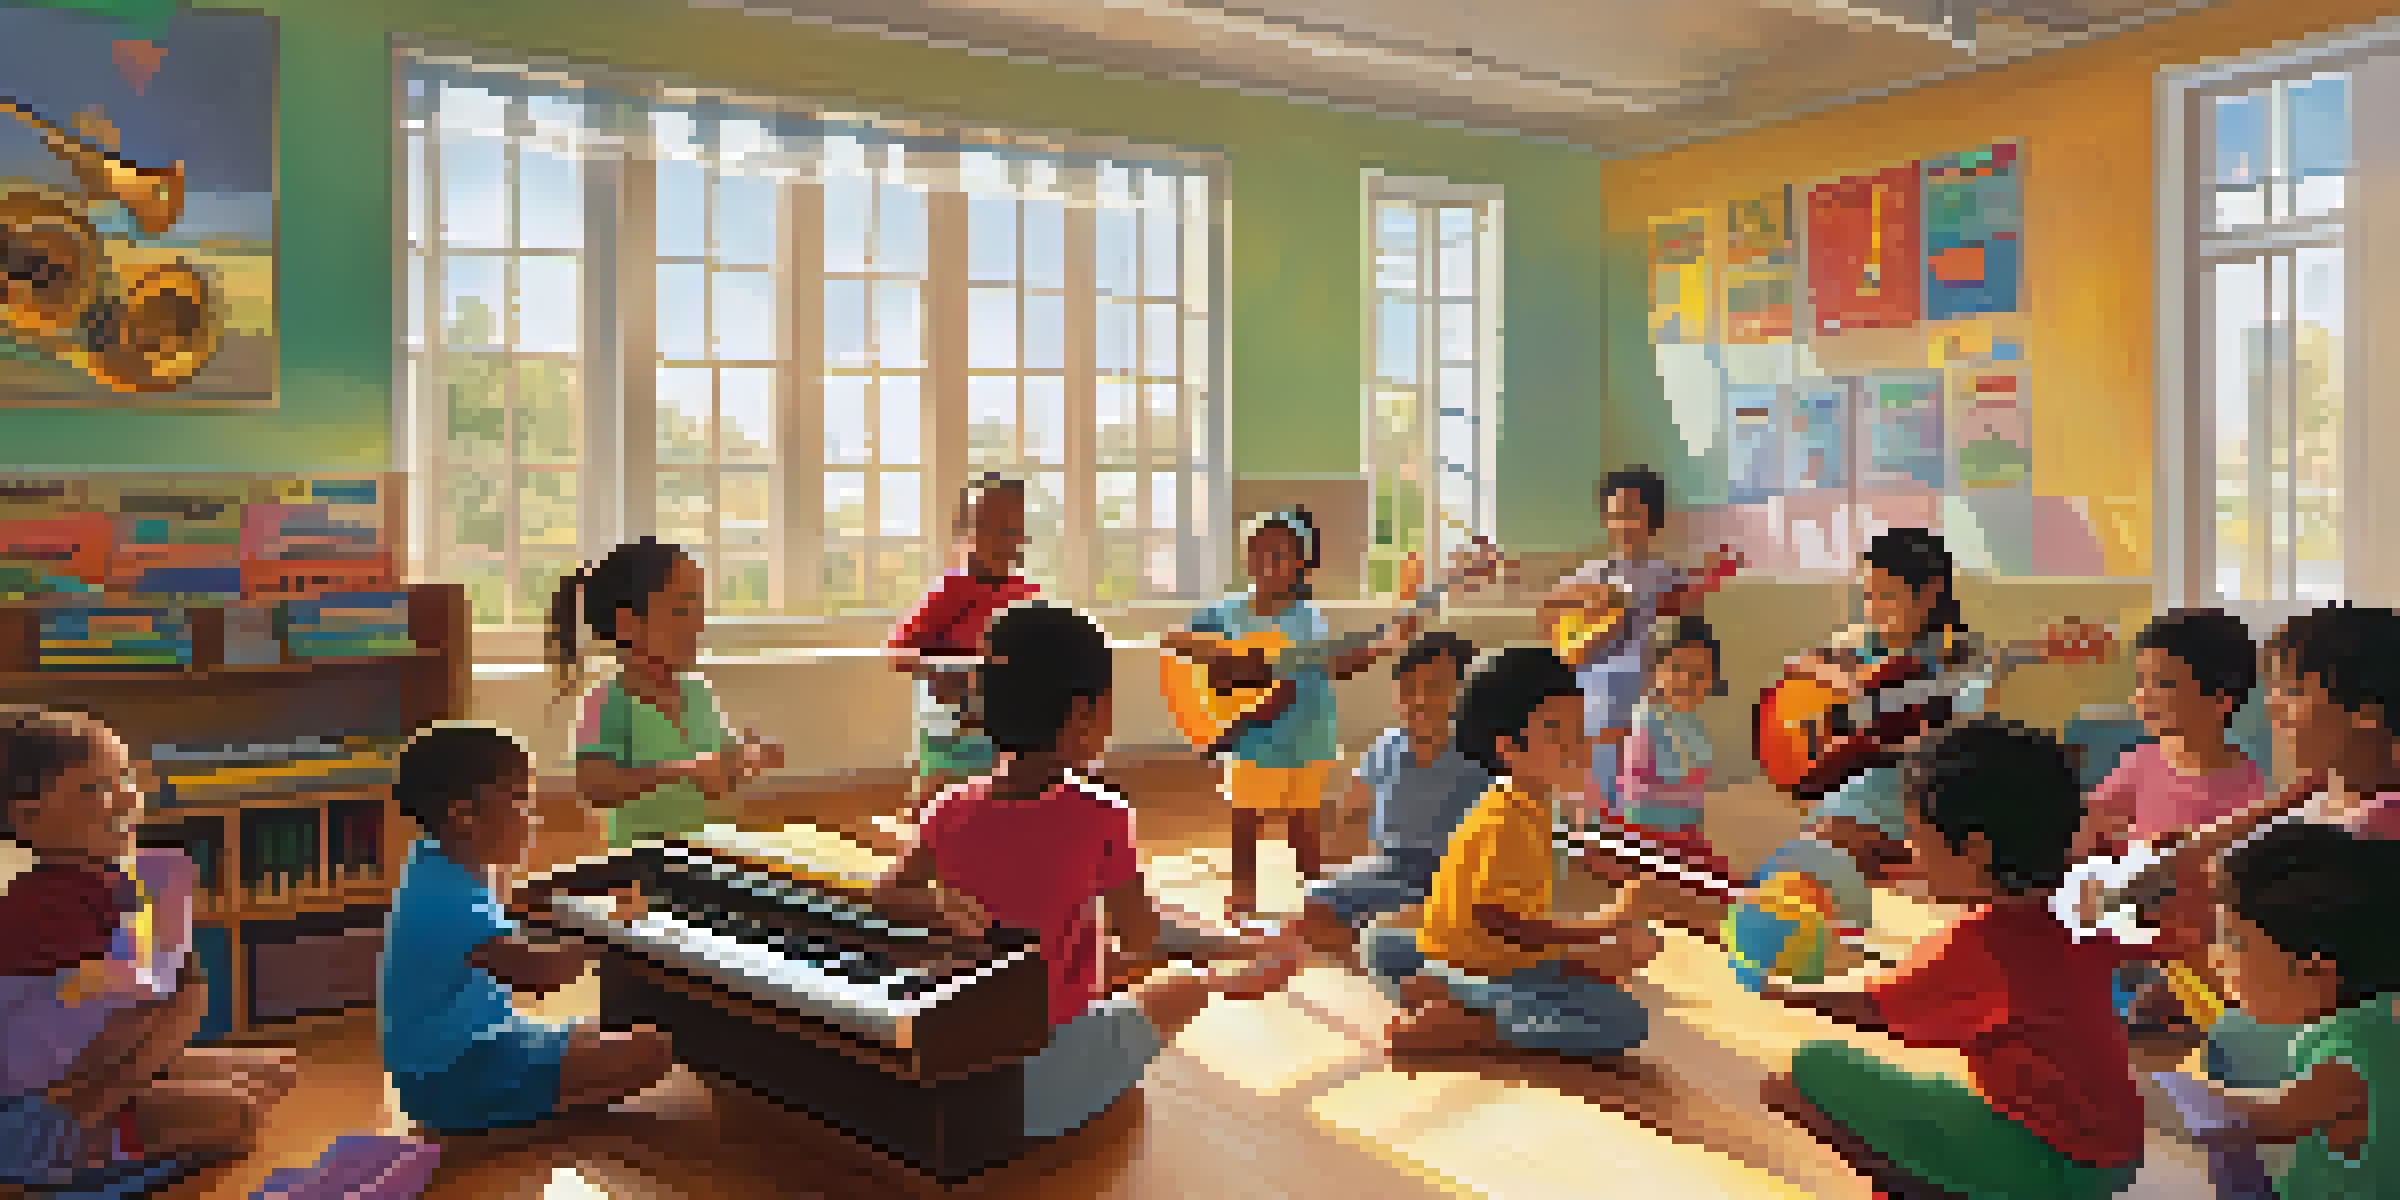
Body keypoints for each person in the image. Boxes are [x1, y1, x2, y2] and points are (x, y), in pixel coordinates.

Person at [870, 603, 1298, 1140]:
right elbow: (1143, 935)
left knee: (1088, 950)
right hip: (1038, 1091)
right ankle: (1240, 982)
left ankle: (1218, 964)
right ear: (1081, 716)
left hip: (955, 1070)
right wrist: (1232, 950)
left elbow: (885, 893)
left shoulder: (947, 807)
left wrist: (942, 906)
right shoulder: (1101, 813)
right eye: (1109, 705)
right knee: (1182, 984)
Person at [1757, 717, 2168, 1199]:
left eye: (1915, 837)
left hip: (2054, 1165)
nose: (1910, 851)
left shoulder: (1982, 943)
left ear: (1974, 851)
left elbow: (1881, 1010)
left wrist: (1791, 992)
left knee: (1799, 1073)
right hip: (2114, 1154)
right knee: (1935, 1090)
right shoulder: (2080, 901)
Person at [0, 707, 295, 1185]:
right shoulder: (43, 905)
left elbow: (161, 998)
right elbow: (98, 1040)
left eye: (124, 777)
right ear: (28, 816)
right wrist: (104, 1101)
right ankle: (61, 1160)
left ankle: (114, 1133)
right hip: (38, 1111)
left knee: (273, 1072)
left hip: (90, 1067)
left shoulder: (109, 880)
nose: (125, 798)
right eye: (94, 788)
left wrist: (172, 993)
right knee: (237, 1114)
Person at [1360, 647, 1664, 1061]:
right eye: (1558, 733)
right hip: (1484, 958)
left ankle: (1447, 989)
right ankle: (1469, 1022)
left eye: (1579, 728)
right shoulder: (1508, 819)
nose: (1578, 746)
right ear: (1509, 749)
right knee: (1621, 1019)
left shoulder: (1525, 799)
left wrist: (1596, 865)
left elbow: (1539, 865)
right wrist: (1602, 925)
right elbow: (1501, 921)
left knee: (1387, 940)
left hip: (1457, 948)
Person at [380, 723, 673, 1135]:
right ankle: (511, 1119)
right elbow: (541, 976)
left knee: (620, 1022)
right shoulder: (449, 896)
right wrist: (608, 929)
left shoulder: (441, 864)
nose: (532, 819)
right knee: (651, 1052)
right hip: (451, 1075)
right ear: (463, 815)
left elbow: (516, 909)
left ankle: (531, 1098)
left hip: (479, 1044)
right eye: (521, 802)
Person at [1160, 508, 1416, 920]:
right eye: (1257, 552)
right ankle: (1243, 893)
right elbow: (1175, 638)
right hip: (1250, 737)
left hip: (1306, 735)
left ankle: (1317, 892)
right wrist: (1226, 655)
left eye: (1278, 554)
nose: (1266, 562)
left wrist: (1383, 647)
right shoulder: (1227, 612)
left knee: (1304, 822)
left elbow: (1332, 665)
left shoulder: (1308, 618)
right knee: (1245, 819)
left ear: (1302, 564)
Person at [2068, 608, 2264, 1035]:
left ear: (2221, 700)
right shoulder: (2141, 762)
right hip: (2132, 930)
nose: (2144, 696)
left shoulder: (2248, 787)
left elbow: (2238, 888)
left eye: (2164, 684)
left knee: (2162, 1011)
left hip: (2199, 948)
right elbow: (2088, 828)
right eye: (2141, 682)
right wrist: (2085, 878)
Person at [2185, 822, 2400, 1198]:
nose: (2217, 960)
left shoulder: (2348, 1058)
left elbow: (2262, 1123)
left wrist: (2169, 1100)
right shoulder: (2377, 1021)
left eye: (2234, 944)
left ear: (2315, 971)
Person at [550, 538, 784, 846]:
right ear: (626, 624)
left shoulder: (698, 692)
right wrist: (684, 771)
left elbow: (717, 779)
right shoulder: (604, 702)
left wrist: (747, 757)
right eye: (681, 609)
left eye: (699, 608)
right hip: (644, 870)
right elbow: (595, 785)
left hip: (713, 856)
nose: (697, 624)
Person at [1540, 466, 1736, 821]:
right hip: (1597, 679)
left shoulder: (1665, 573)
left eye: (1633, 514)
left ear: (1652, 519)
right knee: (1603, 753)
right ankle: (1602, 817)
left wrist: (1708, 581)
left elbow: (1682, 617)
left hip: (1649, 680)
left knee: (1648, 754)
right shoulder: (1595, 572)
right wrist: (1588, 610)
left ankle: (1645, 816)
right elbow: (1550, 614)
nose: (1623, 524)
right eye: (1615, 515)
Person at [1286, 632, 1488, 966]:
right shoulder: (1386, 747)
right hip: (1391, 867)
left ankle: (1403, 947)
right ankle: (1375, 950)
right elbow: (1352, 809)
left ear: (1464, 693)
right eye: (1409, 689)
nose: (1420, 699)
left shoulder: (1479, 751)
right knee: (1314, 906)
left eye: (1436, 687)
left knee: (1404, 927)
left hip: (1455, 875)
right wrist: (1337, 866)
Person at [888, 474, 1039, 827]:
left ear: (1022, 537)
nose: (996, 538)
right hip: (948, 728)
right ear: (964, 533)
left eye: (1007, 528)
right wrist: (943, 666)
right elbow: (898, 653)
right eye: (983, 526)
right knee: (932, 810)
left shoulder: (1026, 595)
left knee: (1001, 810)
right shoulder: (951, 591)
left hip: (1003, 729)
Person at [1618, 616, 1726, 841]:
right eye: (1676, 668)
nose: (1686, 680)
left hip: (1685, 829)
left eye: (1699, 675)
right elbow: (1634, 795)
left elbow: (1698, 784)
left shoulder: (1692, 724)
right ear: (1654, 670)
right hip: (1647, 834)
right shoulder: (1646, 721)